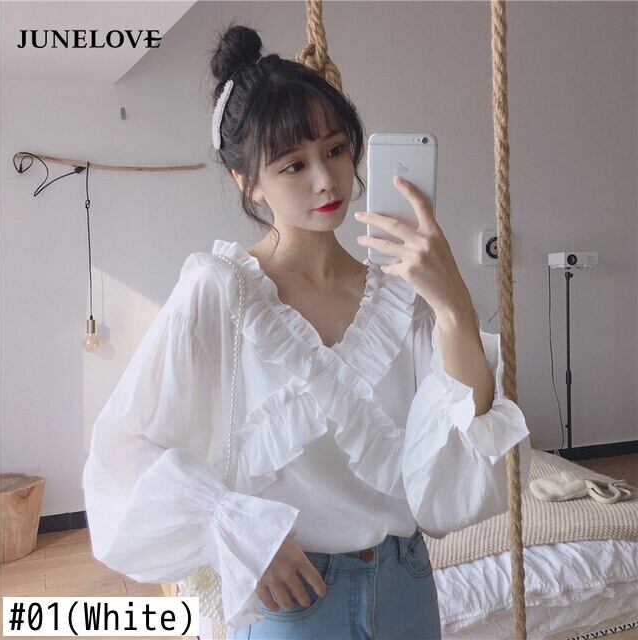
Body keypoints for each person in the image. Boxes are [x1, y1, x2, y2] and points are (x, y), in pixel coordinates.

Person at [82, 23, 532, 640]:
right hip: (293, 601)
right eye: (293, 164)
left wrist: (454, 306)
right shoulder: (220, 291)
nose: (326, 179)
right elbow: (124, 452)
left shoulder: (401, 297)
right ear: (246, 182)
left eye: (337, 150)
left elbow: (458, 473)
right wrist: (238, 527)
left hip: (408, 585)